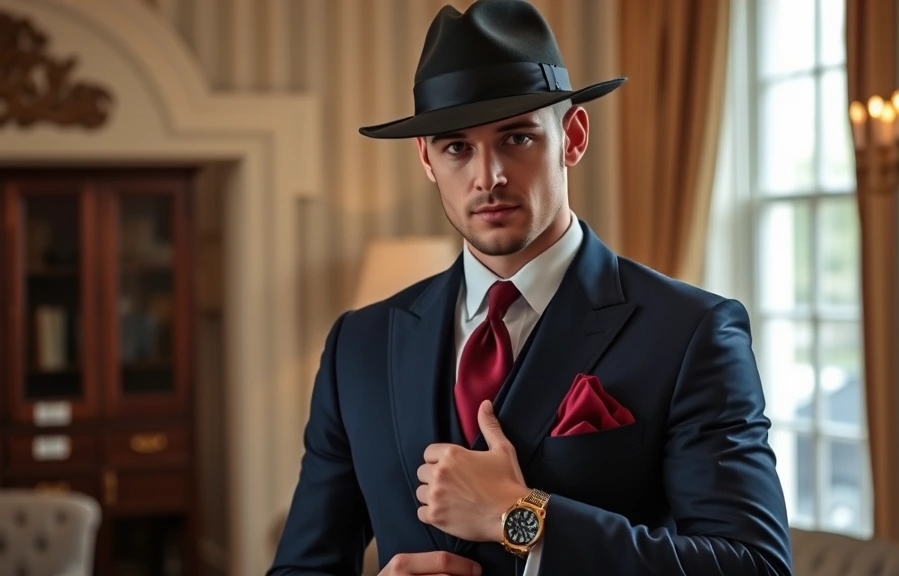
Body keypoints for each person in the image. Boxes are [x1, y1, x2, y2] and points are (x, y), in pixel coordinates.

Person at [268, 1, 792, 575]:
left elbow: (755, 566)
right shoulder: (358, 346)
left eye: (516, 138)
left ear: (572, 136)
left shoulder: (691, 333)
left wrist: (521, 516)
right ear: (426, 158)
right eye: (457, 147)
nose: (487, 175)